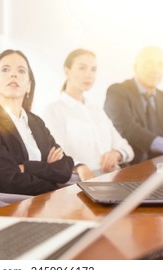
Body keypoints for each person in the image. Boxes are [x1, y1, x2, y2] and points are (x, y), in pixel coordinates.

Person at [0, 49, 74, 195]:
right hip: (16, 206)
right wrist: (49, 174)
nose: (13, 74)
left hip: (48, 201)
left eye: (21, 71)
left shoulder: (36, 122)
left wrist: (27, 167)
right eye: (5, 69)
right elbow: (11, 182)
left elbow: (65, 167)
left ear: (28, 86)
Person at [42, 49, 134, 180]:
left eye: (93, 69)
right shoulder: (53, 110)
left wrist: (116, 153)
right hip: (79, 181)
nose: (89, 75)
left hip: (112, 178)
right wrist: (79, 166)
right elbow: (56, 154)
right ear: (67, 71)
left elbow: (126, 148)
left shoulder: (97, 110)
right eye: (82, 68)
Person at [104, 46, 163, 164]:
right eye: (149, 63)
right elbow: (128, 129)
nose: (155, 70)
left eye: (160, 65)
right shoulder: (117, 91)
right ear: (136, 66)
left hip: (157, 168)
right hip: (125, 167)